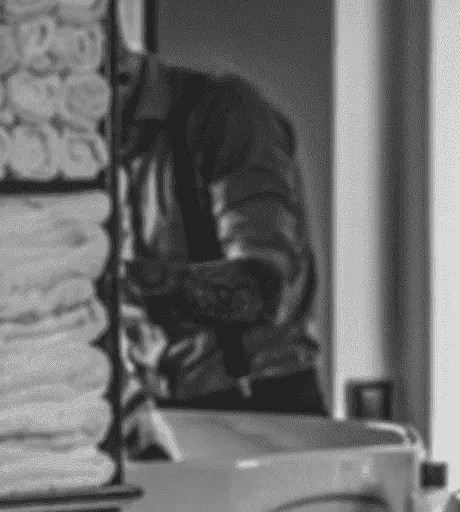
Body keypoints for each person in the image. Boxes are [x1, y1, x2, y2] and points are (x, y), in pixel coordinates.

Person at [114, 49, 326, 419]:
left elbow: (259, 292)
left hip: (260, 403)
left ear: (120, 75)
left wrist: (108, 281)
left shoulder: (225, 113)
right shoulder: (107, 153)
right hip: (162, 406)